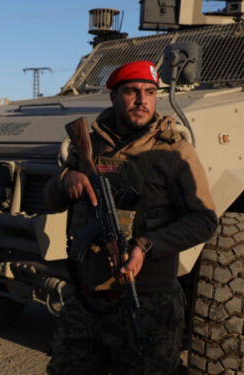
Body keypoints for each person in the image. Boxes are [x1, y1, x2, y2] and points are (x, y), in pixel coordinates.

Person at [45, 60, 218, 374]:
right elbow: (52, 201)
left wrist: (146, 245)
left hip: (148, 303)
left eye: (150, 92)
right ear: (113, 96)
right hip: (85, 300)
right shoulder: (89, 145)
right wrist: (66, 179)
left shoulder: (175, 151)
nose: (142, 100)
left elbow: (204, 220)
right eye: (132, 91)